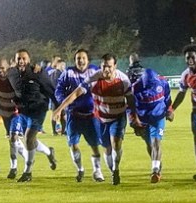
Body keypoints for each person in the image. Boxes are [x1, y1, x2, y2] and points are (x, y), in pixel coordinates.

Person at [53, 53, 137, 185]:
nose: (106, 70)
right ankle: (112, 168)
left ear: (115, 66)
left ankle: (116, 170)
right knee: (106, 148)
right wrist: (59, 108)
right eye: (104, 66)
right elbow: (76, 93)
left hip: (118, 117)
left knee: (116, 143)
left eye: (109, 66)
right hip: (101, 119)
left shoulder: (123, 80)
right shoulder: (93, 78)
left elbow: (131, 99)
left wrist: (134, 116)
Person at [7, 49, 58, 182]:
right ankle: (49, 152)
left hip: (38, 109)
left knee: (29, 138)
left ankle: (27, 172)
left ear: (29, 60)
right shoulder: (12, 73)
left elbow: (51, 90)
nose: (21, 61)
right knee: (32, 141)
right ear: (15, 60)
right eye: (19, 58)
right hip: (23, 111)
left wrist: (57, 109)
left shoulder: (38, 72)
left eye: (24, 58)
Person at [54, 49, 105, 182]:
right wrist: (64, 103)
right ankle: (80, 169)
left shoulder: (95, 71)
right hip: (74, 115)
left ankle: (97, 171)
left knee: (95, 145)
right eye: (78, 58)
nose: (81, 60)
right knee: (73, 144)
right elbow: (58, 90)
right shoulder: (68, 73)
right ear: (75, 60)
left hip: (91, 115)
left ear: (88, 60)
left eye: (83, 58)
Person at [172, 44, 196, 181]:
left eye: (192, 57)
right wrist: (172, 108)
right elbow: (181, 94)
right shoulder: (185, 75)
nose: (190, 59)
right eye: (187, 57)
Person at [129, 68, 173, 183]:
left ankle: (155, 171)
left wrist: (169, 110)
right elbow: (130, 106)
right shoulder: (135, 87)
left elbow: (168, 98)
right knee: (149, 143)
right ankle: (157, 163)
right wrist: (133, 121)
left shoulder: (163, 83)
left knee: (156, 142)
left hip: (158, 117)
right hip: (142, 120)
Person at [0, 58, 30, 179]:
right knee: (14, 141)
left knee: (13, 138)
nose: (0, 70)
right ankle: (29, 158)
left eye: (2, 67)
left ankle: (13, 168)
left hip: (15, 113)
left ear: (8, 68)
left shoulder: (14, 78)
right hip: (5, 114)